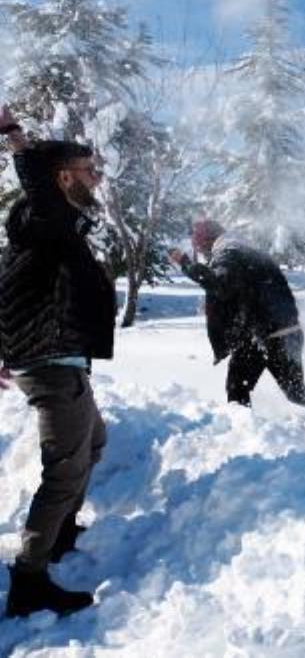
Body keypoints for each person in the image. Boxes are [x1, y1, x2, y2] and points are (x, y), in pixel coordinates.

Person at [0, 105, 113, 617]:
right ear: (63, 177)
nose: (97, 178)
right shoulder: (46, 216)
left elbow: (11, 288)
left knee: (93, 443)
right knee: (64, 470)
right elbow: (43, 194)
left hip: (61, 358)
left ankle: (61, 531)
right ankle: (29, 579)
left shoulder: (48, 228)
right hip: (50, 362)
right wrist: (17, 140)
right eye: (89, 170)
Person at [168, 220, 305, 414]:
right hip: (284, 332)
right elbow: (245, 291)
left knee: (238, 388)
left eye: (200, 247)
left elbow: (220, 285)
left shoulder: (228, 254)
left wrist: (186, 264)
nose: (203, 253)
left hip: (265, 336)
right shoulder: (247, 251)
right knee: (294, 391)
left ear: (207, 241)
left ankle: (245, 428)